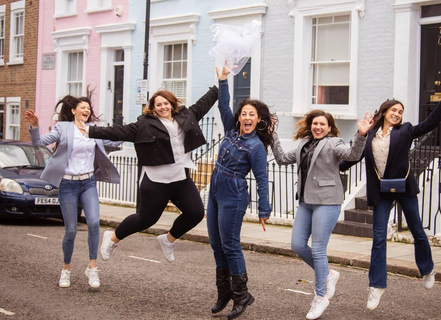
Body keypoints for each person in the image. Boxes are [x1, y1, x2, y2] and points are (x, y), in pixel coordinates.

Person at [339, 77, 441, 311]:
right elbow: (354, 157)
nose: (397, 113)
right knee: (379, 238)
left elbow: (431, 123)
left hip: (404, 188)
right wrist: (336, 165)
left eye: (400, 111)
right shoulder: (371, 134)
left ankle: (427, 268)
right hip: (381, 191)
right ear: (384, 112)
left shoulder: (406, 131)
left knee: (417, 230)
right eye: (394, 110)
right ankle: (376, 286)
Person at [86, 69, 223, 265]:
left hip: (180, 179)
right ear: (152, 107)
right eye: (158, 104)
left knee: (195, 213)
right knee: (146, 220)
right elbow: (117, 131)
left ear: (172, 104)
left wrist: (220, 84)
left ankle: (168, 240)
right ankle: (112, 238)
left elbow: (205, 103)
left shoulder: (187, 116)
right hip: (156, 181)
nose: (163, 107)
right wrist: (89, 130)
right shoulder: (144, 124)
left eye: (166, 103)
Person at [271, 110, 372, 319]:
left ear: (329, 128)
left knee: (318, 249)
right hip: (306, 202)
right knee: (297, 245)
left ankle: (320, 296)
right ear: (311, 126)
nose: (318, 127)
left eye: (322, 124)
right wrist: (272, 134)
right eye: (315, 123)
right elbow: (281, 159)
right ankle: (328, 274)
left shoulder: (334, 143)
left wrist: (361, 135)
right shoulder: (303, 144)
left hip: (327, 202)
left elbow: (352, 155)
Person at [25, 93, 122, 289]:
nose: (86, 110)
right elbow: (39, 143)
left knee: (94, 223)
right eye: (83, 107)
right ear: (73, 111)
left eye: (88, 108)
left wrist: (137, 131)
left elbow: (116, 142)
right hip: (67, 184)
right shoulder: (64, 128)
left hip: (88, 182)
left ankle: (92, 268)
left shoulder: (93, 131)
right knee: (71, 230)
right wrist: (35, 126)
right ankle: (66, 270)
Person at [207, 68, 275, 320]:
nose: (247, 117)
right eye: (244, 113)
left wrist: (264, 210)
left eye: (252, 115)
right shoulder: (231, 130)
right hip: (215, 188)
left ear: (258, 121)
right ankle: (224, 292)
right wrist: (223, 80)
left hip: (233, 194)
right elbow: (223, 104)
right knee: (216, 244)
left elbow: (261, 179)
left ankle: (241, 295)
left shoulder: (256, 146)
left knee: (230, 245)